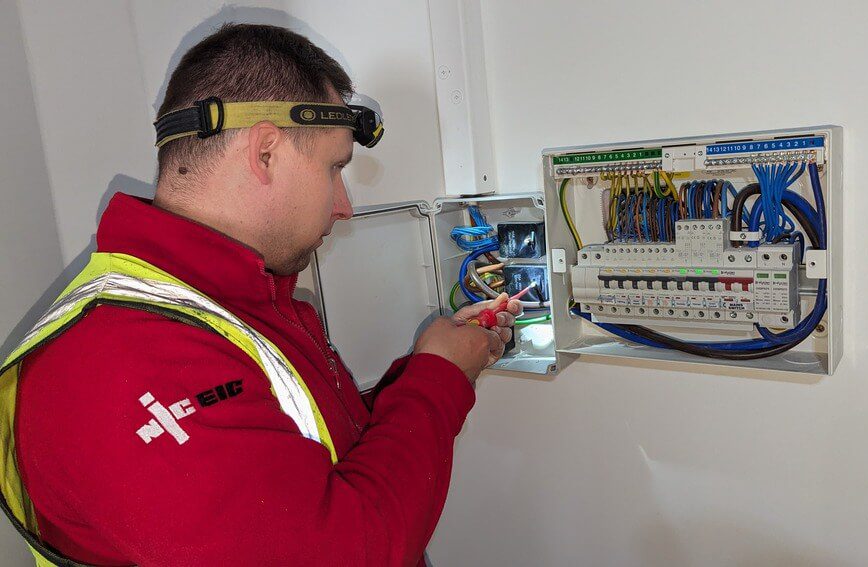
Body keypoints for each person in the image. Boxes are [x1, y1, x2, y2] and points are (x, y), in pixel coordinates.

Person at [0, 23, 519, 566]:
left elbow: (308, 460)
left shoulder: (236, 307)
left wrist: (421, 373)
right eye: (335, 169)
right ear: (266, 151)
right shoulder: (125, 361)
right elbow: (347, 553)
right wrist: (438, 380)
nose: (343, 206)